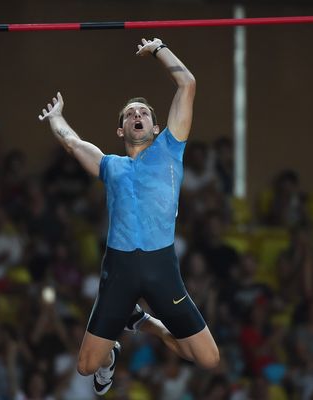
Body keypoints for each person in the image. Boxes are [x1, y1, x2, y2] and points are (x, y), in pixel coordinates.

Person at [38, 37, 220, 395]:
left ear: (155, 127)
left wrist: (158, 49)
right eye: (130, 114)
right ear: (121, 130)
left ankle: (144, 323)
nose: (138, 115)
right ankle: (111, 357)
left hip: (161, 268)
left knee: (209, 359)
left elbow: (188, 83)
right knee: (87, 365)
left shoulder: (170, 148)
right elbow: (73, 143)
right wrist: (57, 118)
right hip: (119, 269)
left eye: (144, 113)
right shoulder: (111, 166)